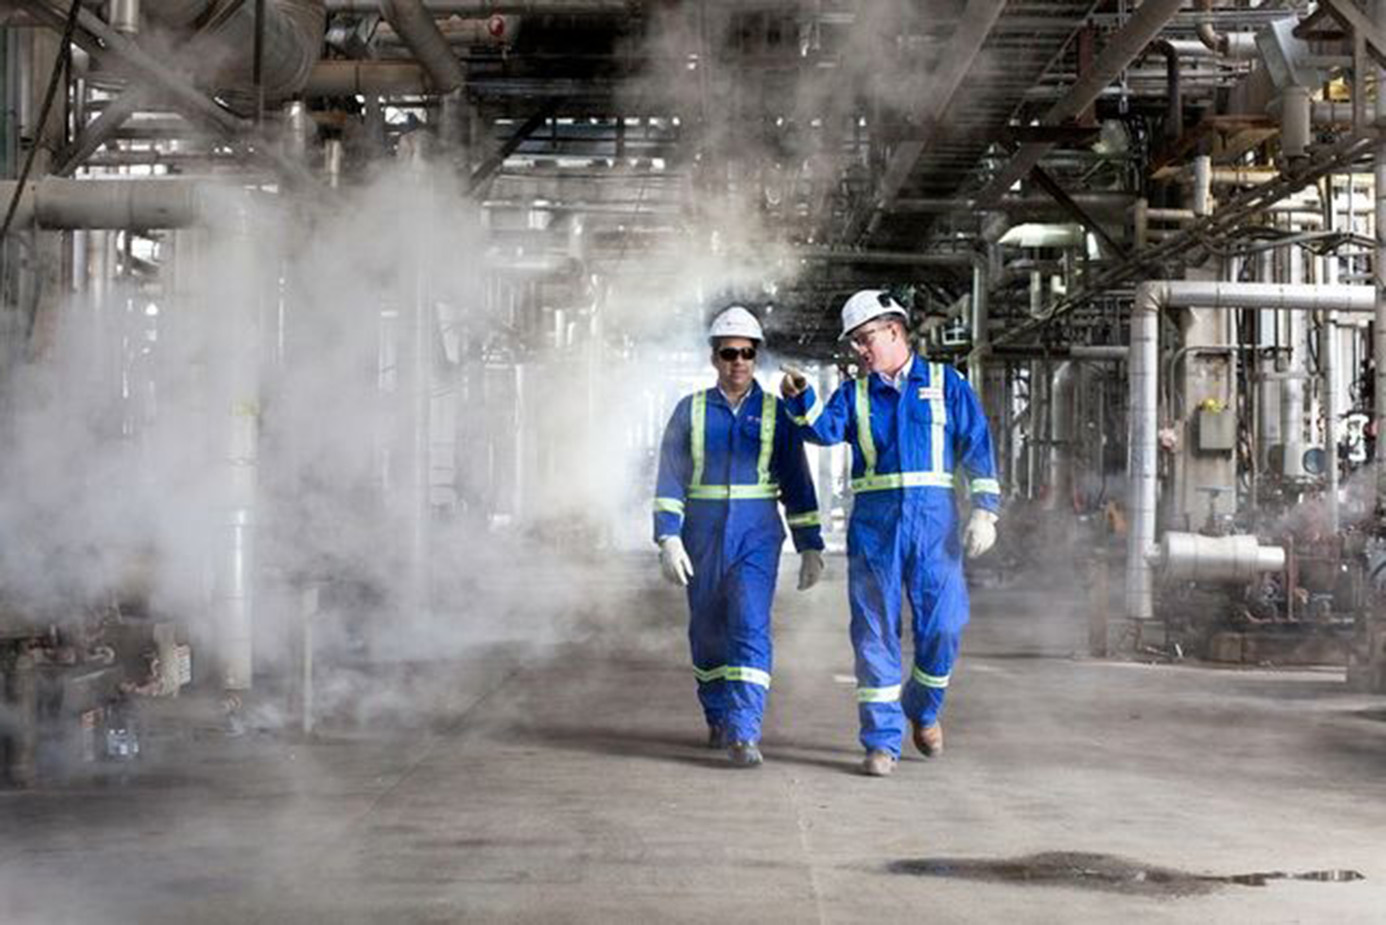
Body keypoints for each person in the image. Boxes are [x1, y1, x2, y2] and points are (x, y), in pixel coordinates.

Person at [780, 289, 1000, 777]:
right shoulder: (855, 393)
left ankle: (921, 707)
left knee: (943, 625)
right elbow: (822, 429)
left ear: (894, 330)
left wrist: (986, 510)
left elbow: (977, 445)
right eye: (854, 344)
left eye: (865, 340)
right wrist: (801, 399)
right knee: (874, 631)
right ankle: (881, 742)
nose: (859, 350)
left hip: (934, 523)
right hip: (875, 527)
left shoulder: (947, 384)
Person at [653, 305, 826, 768]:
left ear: (756, 357)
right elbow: (670, 479)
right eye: (729, 353)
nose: (738, 362)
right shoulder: (689, 411)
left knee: (750, 624)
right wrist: (668, 538)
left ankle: (745, 731)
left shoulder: (776, 414)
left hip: (756, 535)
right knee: (707, 631)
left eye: (746, 353)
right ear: (715, 357)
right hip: (702, 533)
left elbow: (797, 480)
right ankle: (717, 713)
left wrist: (810, 544)